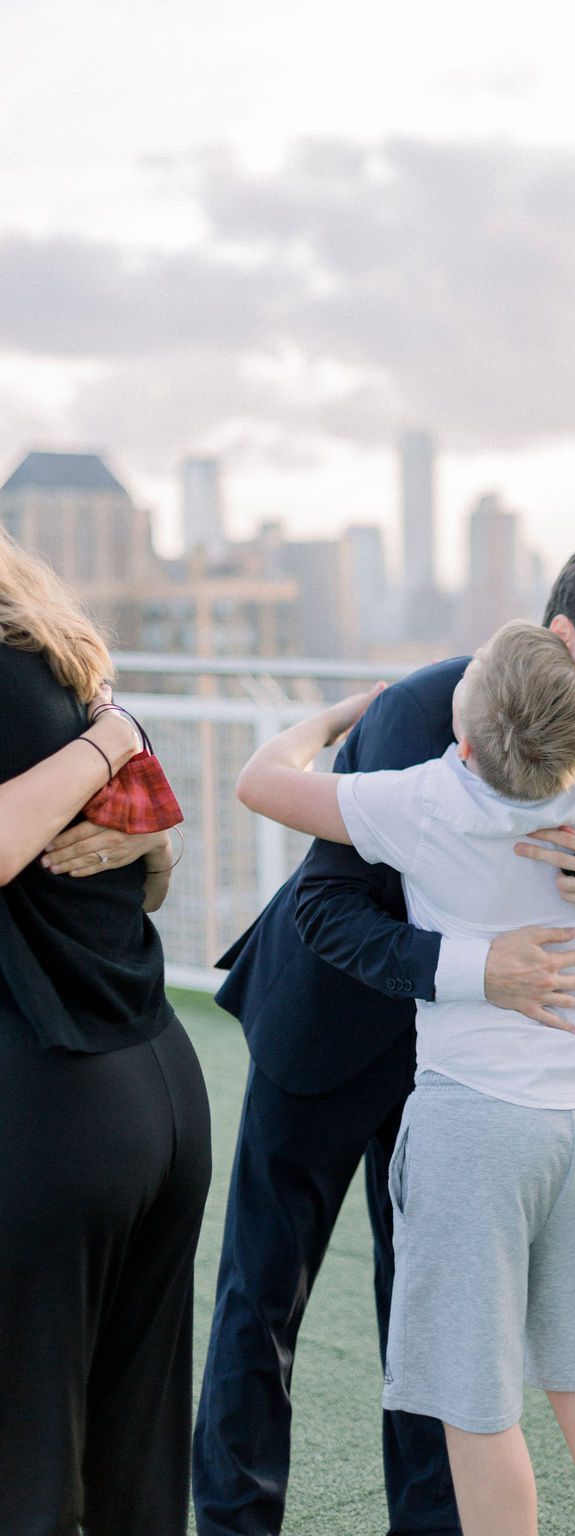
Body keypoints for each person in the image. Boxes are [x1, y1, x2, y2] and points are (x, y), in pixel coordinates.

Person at [193, 538, 575, 1536]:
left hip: (463, 1084)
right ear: (566, 640)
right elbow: (326, 907)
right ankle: (233, 1523)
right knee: (260, 1302)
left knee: (426, 1321)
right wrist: (473, 971)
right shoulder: (423, 717)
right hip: (329, 1030)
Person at [0, 528, 212, 1536]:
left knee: (25, 1476)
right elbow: (149, 859)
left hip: (53, 1098)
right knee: (135, 1469)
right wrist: (116, 737)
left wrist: (110, 742)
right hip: (157, 1082)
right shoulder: (43, 642)